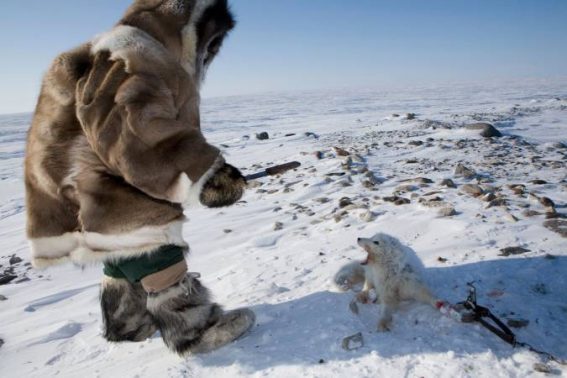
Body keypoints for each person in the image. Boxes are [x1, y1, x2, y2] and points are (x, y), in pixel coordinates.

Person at [24, 0, 255, 355]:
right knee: (152, 239)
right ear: (188, 29)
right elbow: (133, 129)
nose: (210, 56)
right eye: (209, 44)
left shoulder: (116, 50)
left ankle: (126, 321)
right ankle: (193, 331)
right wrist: (204, 174)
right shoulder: (137, 56)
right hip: (108, 175)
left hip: (84, 177)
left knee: (120, 238)